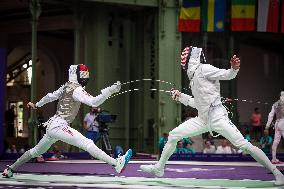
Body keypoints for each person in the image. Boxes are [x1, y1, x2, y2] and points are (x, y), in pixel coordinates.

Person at [140, 46, 284, 185]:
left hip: (217, 116)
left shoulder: (204, 69)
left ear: (190, 59)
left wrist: (234, 68)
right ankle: (159, 168)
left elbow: (228, 75)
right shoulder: (193, 80)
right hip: (202, 119)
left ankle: (277, 173)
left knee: (244, 145)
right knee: (173, 135)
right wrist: (180, 96)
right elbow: (196, 103)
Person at [2, 64, 132, 178]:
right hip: (58, 126)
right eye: (83, 74)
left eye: (86, 74)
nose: (85, 77)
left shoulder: (65, 87)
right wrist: (110, 90)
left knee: (35, 151)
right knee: (87, 143)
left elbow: (49, 96)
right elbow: (94, 102)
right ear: (76, 75)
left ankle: (10, 169)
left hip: (53, 126)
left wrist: (37, 104)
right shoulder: (76, 89)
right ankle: (116, 164)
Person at [266, 91, 284, 164]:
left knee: (275, 142)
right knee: (276, 141)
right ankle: (274, 159)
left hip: (277, 123)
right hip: (283, 122)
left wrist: (267, 126)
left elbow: (270, 115)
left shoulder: (275, 104)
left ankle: (274, 159)